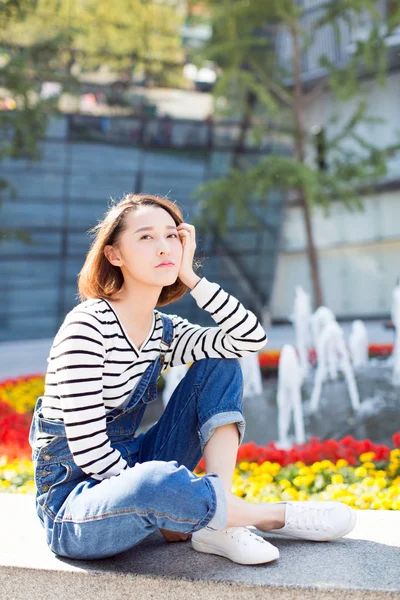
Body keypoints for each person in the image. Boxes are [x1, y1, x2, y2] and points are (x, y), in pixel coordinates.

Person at [29, 193, 357, 566]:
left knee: (221, 363)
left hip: (134, 469)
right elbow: (88, 450)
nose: (164, 247)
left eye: (172, 236)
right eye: (146, 237)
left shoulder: (163, 332)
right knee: (154, 481)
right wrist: (163, 495)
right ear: (114, 255)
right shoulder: (88, 325)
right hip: (76, 505)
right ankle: (268, 515)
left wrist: (191, 277)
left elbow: (249, 339)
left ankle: (214, 524)